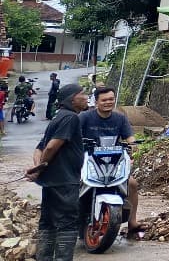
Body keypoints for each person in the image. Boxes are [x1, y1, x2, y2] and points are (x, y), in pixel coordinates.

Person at [27, 84, 90, 261]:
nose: (86, 97)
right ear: (72, 99)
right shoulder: (71, 118)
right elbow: (51, 147)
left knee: (48, 221)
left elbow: (39, 148)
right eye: (82, 94)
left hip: (51, 181)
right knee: (67, 222)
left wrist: (37, 169)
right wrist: (41, 167)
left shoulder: (57, 117)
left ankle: (44, 257)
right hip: (65, 180)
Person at [80, 86, 145, 238]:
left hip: (114, 162)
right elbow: (74, 135)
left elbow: (129, 137)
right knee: (74, 183)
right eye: (104, 100)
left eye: (111, 99)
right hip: (88, 161)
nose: (108, 102)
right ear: (96, 102)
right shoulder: (84, 117)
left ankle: (132, 222)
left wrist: (134, 146)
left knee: (132, 184)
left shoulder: (120, 118)